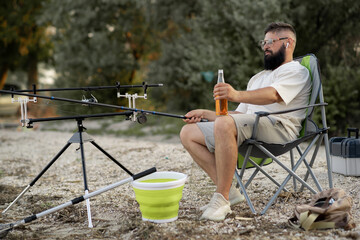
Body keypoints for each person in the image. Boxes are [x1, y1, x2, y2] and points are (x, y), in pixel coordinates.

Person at [180, 22, 311, 221]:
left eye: (270, 41)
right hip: (251, 127)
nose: (265, 46)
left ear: (288, 43)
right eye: (263, 42)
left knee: (224, 123)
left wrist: (235, 94)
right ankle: (230, 192)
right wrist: (205, 113)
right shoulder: (258, 78)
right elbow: (236, 116)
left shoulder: (296, 71)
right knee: (188, 133)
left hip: (280, 129)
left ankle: (221, 199)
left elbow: (274, 95)